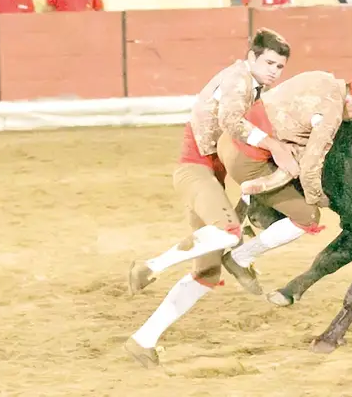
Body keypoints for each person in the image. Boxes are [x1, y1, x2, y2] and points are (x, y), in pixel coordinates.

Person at [123, 28, 298, 368]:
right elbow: (231, 121)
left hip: (210, 175)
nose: (275, 71)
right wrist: (276, 145)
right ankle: (149, 266)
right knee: (227, 231)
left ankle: (143, 340)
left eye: (280, 66)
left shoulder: (253, 85)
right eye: (269, 63)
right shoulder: (239, 80)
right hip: (196, 169)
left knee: (206, 271)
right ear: (251, 58)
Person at [214, 65, 352, 294]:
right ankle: (239, 258)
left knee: (290, 175)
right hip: (246, 159)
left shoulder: (323, 77)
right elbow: (311, 168)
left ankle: (253, 212)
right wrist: (320, 198)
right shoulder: (330, 114)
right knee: (307, 216)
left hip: (231, 139)